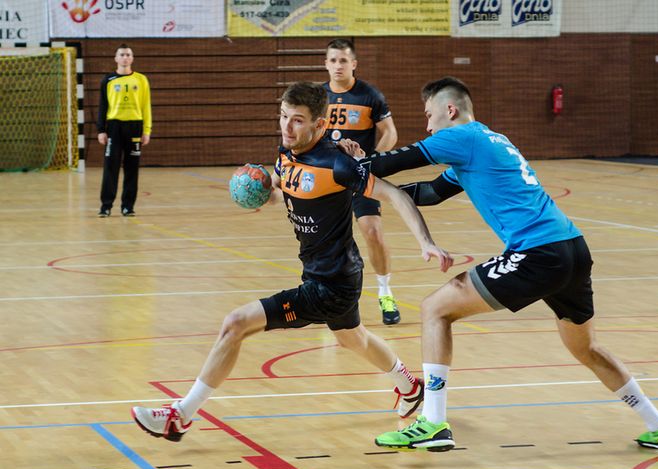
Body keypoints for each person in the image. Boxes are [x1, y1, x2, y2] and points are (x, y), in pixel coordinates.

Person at [337, 77, 658, 453]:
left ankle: (433, 423)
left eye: (428, 115)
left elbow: (391, 163)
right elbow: (430, 193)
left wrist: (349, 164)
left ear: (449, 110)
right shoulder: (486, 141)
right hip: (572, 248)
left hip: (538, 253)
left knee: (434, 309)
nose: (427, 126)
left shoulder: (460, 137)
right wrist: (381, 192)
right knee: (586, 348)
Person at [130, 82, 453, 441]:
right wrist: (259, 193)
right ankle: (410, 387)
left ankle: (180, 416)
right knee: (354, 338)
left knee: (235, 324)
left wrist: (426, 242)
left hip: (330, 285)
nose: (287, 126)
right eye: (283, 116)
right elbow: (282, 188)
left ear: (320, 124)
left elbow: (394, 194)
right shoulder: (286, 153)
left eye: (297, 120)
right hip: (333, 272)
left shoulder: (337, 163)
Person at [323, 39, 402, 325]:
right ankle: (330, 298)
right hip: (326, 179)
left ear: (354, 64)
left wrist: (372, 162)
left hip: (359, 177)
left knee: (373, 233)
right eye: (333, 60)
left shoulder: (369, 95)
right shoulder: (318, 97)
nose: (338, 66)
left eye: (343, 60)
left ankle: (385, 293)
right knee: (328, 241)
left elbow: (390, 133)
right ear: (326, 64)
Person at [96, 44, 152, 217]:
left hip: (135, 126)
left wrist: (147, 130)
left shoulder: (141, 80)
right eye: (122, 54)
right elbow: (103, 106)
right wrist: (101, 130)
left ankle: (127, 206)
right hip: (114, 127)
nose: (125, 57)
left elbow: (146, 106)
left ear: (132, 58)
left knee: (132, 168)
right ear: (116, 58)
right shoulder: (108, 80)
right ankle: (106, 206)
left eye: (128, 54)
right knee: (110, 167)